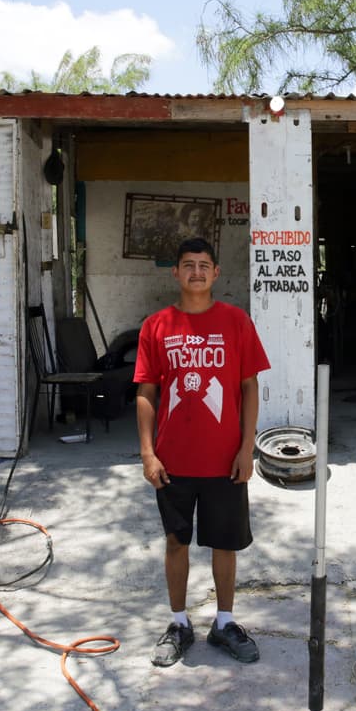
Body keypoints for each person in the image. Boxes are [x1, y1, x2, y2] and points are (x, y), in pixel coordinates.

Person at [134, 237, 271, 667]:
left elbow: (250, 387)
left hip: (224, 460)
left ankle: (224, 623)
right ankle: (179, 623)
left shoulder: (236, 322)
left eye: (204, 265)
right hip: (172, 462)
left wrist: (247, 448)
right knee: (176, 542)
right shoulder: (156, 326)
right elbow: (147, 391)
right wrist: (147, 453)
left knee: (224, 544)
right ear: (175, 273)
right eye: (188, 265)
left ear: (216, 273)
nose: (196, 272)